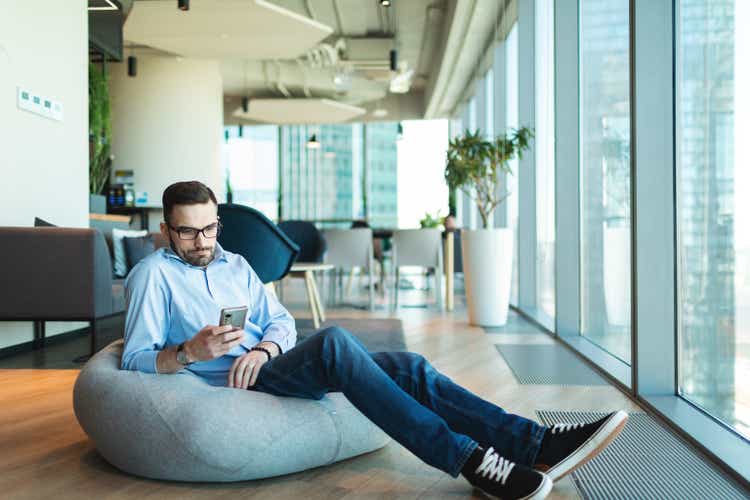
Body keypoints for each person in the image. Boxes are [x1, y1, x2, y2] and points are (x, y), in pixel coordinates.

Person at [122, 181, 628, 500]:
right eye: (189, 234)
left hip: (267, 363)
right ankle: (469, 460)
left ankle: (535, 442)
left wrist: (264, 348)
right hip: (236, 384)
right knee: (336, 342)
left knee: (407, 366)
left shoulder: (235, 263)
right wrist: (191, 352)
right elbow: (135, 360)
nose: (203, 242)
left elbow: (281, 322)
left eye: (210, 228)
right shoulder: (153, 276)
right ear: (167, 230)